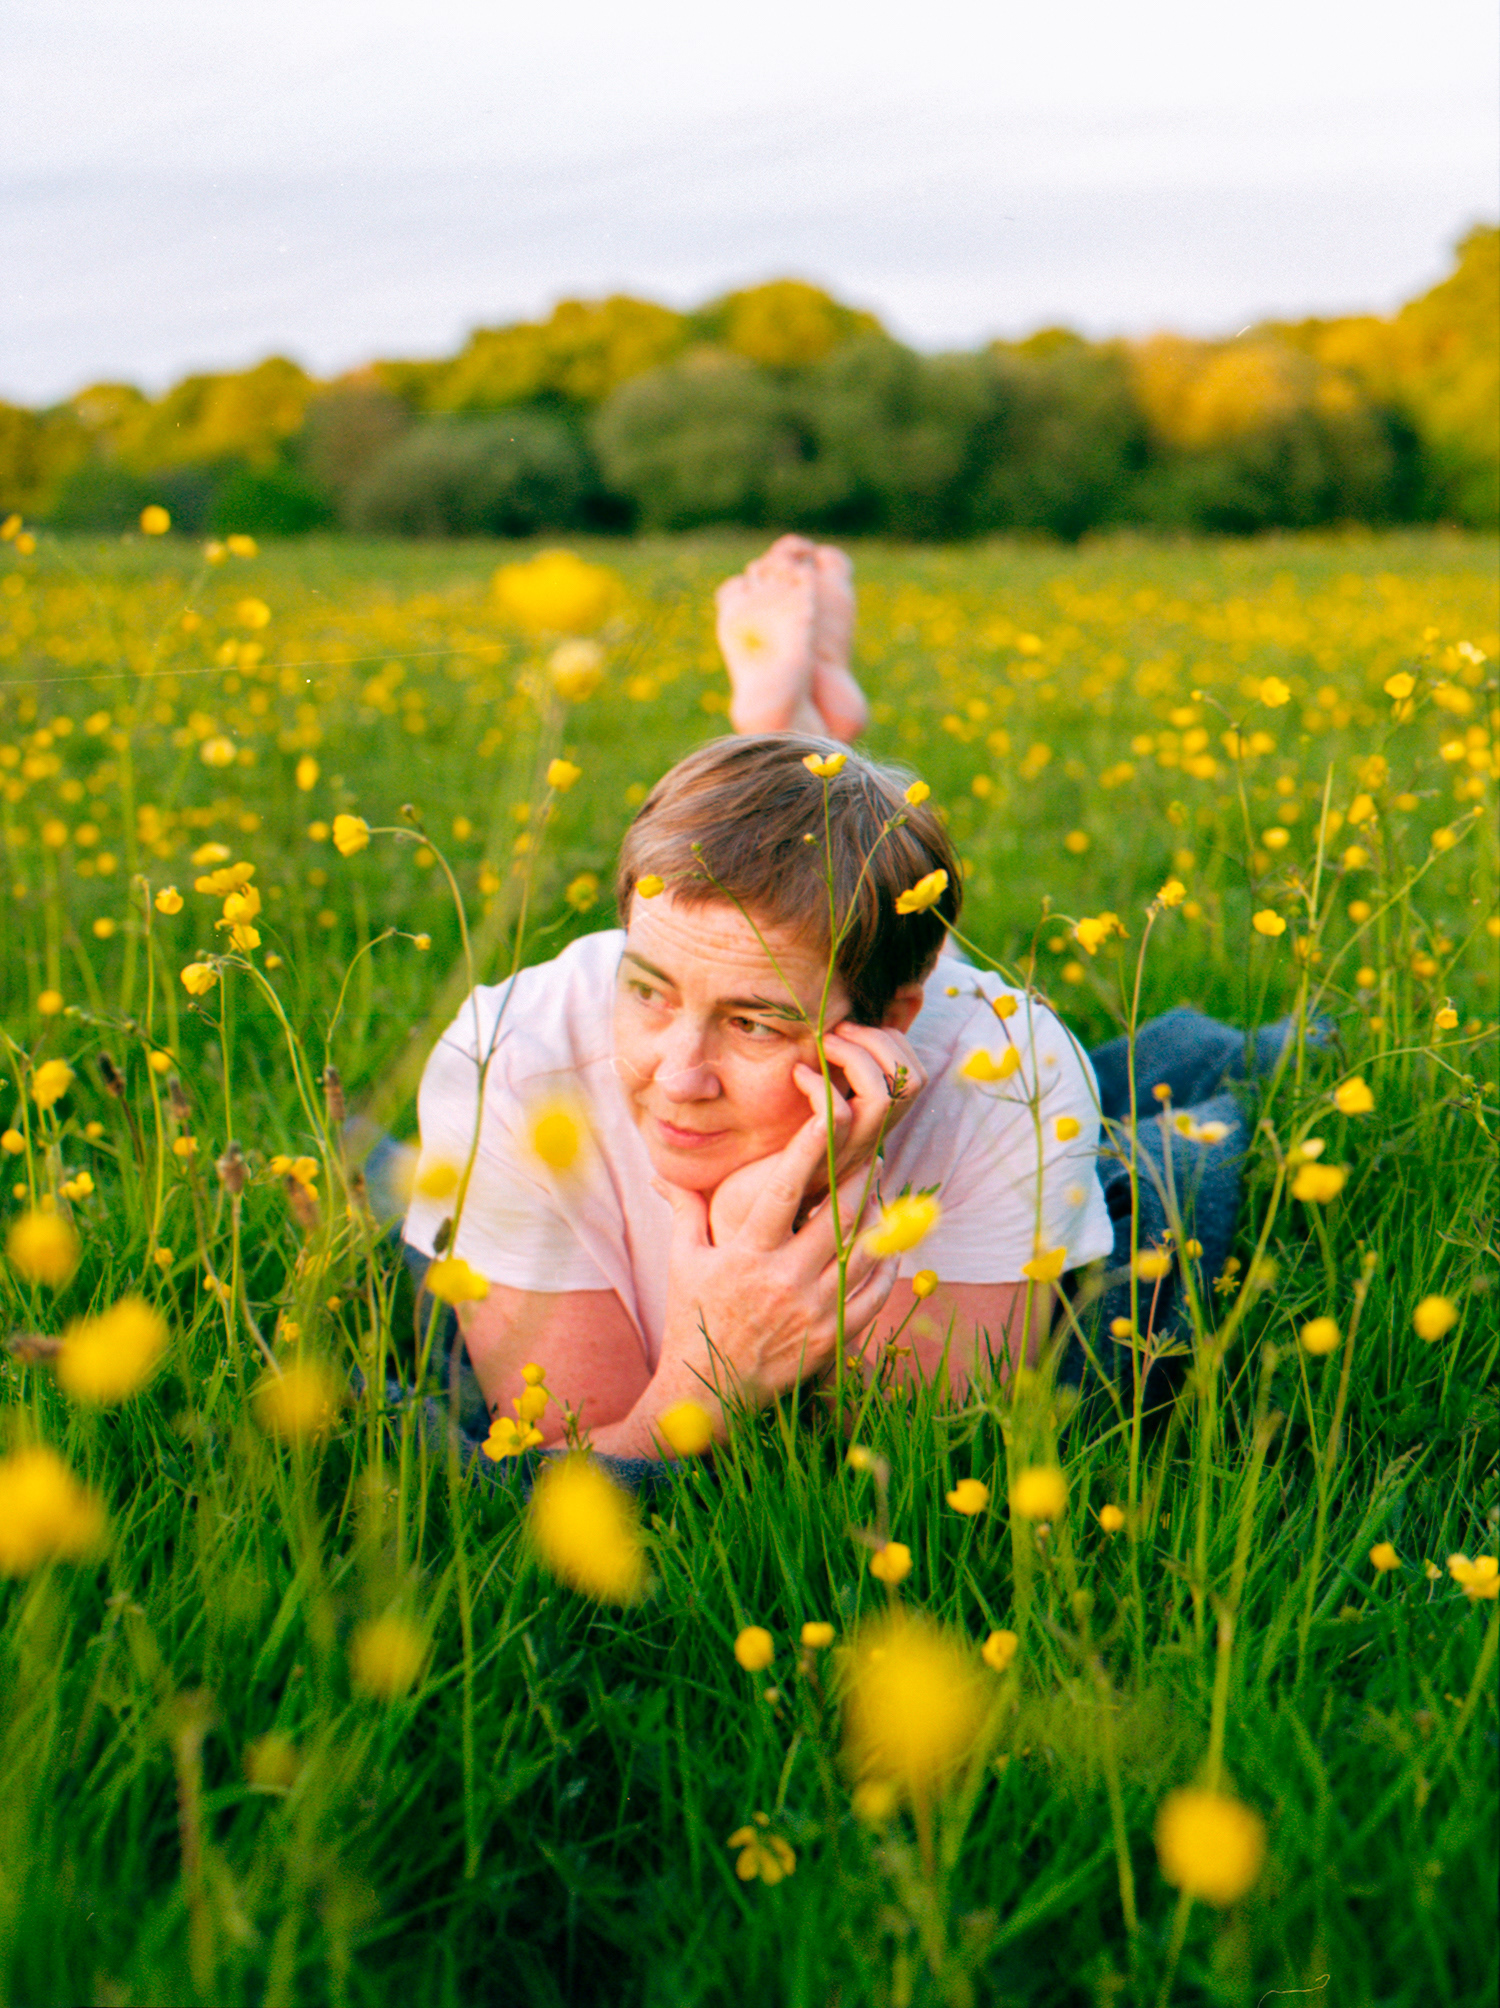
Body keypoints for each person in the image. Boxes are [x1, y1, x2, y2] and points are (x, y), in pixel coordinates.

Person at [400, 538, 1117, 1460]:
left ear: (891, 1024)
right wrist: (715, 1374)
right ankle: (792, 733)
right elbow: (572, 1472)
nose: (678, 1077)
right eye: (648, 991)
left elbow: (913, 1458)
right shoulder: (512, 1056)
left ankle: (797, 735)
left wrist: (825, 1198)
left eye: (752, 1022)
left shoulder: (1014, 1074)